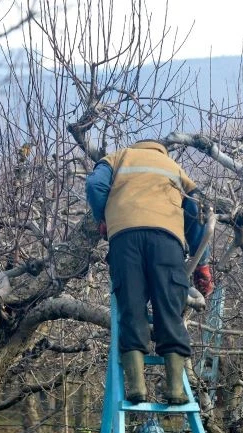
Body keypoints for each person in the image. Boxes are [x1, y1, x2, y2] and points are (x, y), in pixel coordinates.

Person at [86, 139, 214, 405]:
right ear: (161, 151)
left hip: (125, 238)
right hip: (167, 240)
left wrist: (104, 218)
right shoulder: (175, 167)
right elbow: (196, 213)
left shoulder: (117, 158)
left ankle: (136, 387)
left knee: (131, 307)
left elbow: (94, 185)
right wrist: (202, 265)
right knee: (170, 307)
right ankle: (175, 390)